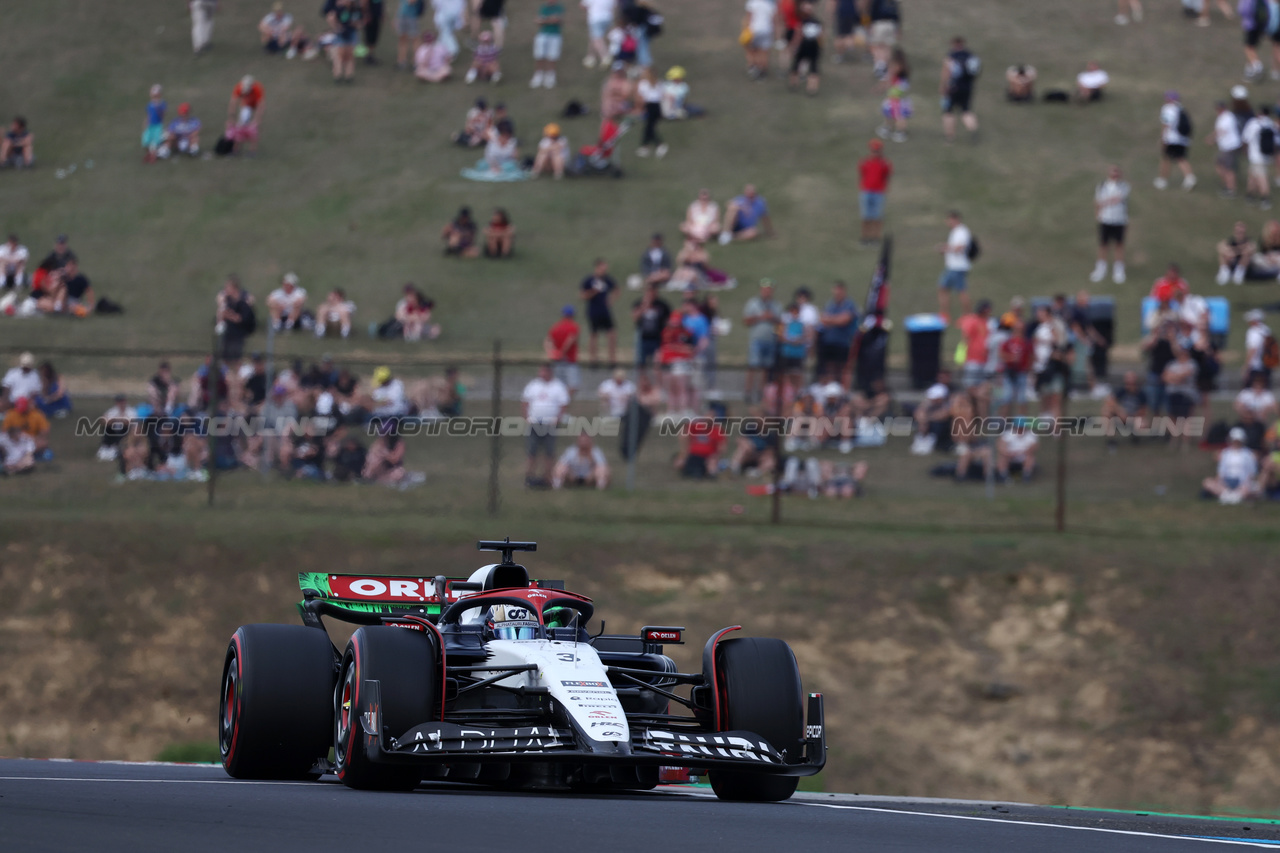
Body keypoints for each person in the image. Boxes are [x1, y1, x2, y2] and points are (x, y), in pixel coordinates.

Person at [522, 363, 570, 487]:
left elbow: (563, 404)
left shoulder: (558, 386)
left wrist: (558, 419)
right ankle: (529, 476)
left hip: (550, 424)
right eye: (541, 371)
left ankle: (547, 477)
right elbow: (525, 401)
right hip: (534, 423)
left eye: (544, 371)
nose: (542, 373)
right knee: (531, 451)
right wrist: (526, 417)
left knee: (549, 452)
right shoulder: (533, 385)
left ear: (550, 372)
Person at [1092, 165, 1130, 284]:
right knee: (1103, 245)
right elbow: (1097, 202)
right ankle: (1101, 269)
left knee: (1119, 245)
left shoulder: (1124, 186)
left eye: (1117, 172)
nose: (1115, 174)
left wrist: (1104, 202)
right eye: (1113, 172)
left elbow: (1117, 199)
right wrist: (1098, 214)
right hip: (1105, 220)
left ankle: (1118, 270)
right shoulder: (1102, 186)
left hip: (1119, 220)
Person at [940, 36, 980, 143]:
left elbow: (946, 73)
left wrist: (943, 86)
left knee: (948, 112)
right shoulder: (971, 56)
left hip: (953, 88)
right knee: (966, 110)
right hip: (967, 87)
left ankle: (950, 137)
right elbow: (975, 72)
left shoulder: (951, 57)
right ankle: (973, 129)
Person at [815, 281, 856, 384]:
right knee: (829, 368)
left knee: (842, 368)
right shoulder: (830, 304)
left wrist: (830, 319)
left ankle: (841, 390)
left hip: (843, 342)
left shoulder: (849, 305)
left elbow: (844, 320)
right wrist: (835, 319)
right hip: (828, 342)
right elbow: (821, 319)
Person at [1202, 427, 1259, 503]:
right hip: (1227, 481)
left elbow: (1252, 472)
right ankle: (1227, 494)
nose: (1236, 442)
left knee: (1256, 488)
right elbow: (1221, 471)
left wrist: (1246, 483)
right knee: (1207, 482)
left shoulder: (1248, 454)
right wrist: (1219, 481)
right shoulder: (1225, 453)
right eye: (1234, 440)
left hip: (1241, 482)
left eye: (1238, 440)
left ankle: (1235, 496)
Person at [936, 209, 973, 320]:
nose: (948, 222)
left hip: (958, 267)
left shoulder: (962, 231)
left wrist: (945, 248)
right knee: (943, 288)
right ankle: (944, 314)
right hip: (951, 267)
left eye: (950, 220)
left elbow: (960, 247)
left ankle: (967, 316)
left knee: (961, 292)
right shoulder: (955, 232)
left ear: (955, 219)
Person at [1156, 91, 1195, 190]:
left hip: (1171, 139)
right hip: (1183, 139)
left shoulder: (1167, 109)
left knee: (1166, 158)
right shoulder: (1181, 109)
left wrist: (1163, 138)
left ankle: (1163, 180)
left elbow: (1166, 125)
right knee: (1181, 158)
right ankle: (1189, 177)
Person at [581, 259, 618, 364]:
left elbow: (616, 289)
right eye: (602, 268)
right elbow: (583, 295)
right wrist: (594, 291)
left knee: (611, 334)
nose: (604, 270)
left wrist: (611, 299)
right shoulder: (589, 280)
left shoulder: (607, 280)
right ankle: (593, 358)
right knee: (594, 335)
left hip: (605, 311)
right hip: (593, 311)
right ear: (597, 268)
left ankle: (612, 358)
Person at [1241, 105, 1277, 209]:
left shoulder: (1254, 123)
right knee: (1252, 175)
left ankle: (1265, 199)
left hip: (1256, 156)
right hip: (1267, 155)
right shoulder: (1271, 123)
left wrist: (1244, 151)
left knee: (1262, 177)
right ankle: (1250, 195)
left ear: (1260, 112)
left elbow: (1245, 138)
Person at [858, 140, 892, 245]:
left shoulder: (884, 164)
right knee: (866, 216)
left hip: (878, 192)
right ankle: (865, 237)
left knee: (877, 216)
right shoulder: (865, 162)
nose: (875, 153)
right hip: (866, 191)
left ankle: (876, 238)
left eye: (877, 151)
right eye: (873, 150)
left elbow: (886, 176)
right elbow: (862, 175)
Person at [632, 282, 671, 372]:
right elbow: (635, 317)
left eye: (652, 291)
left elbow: (668, 321)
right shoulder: (639, 303)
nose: (650, 293)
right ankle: (641, 382)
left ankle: (657, 383)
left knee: (657, 362)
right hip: (643, 337)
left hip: (657, 337)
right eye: (648, 291)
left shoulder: (662, 305)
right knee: (641, 363)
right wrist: (644, 306)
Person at [215, 275, 256, 360]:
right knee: (225, 356)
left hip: (242, 329)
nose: (225, 289)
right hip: (230, 330)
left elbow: (240, 318)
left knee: (236, 357)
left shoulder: (244, 299)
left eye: (227, 287)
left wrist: (229, 315)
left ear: (234, 288)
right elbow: (222, 311)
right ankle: (220, 324)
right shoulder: (226, 298)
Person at [675, 410, 726, 478]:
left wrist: (716, 457)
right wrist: (683, 453)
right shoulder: (697, 426)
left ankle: (708, 473)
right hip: (693, 454)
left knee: (712, 468)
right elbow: (683, 434)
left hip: (708, 456)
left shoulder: (717, 430)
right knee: (679, 463)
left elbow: (722, 446)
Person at [1208, 100, 1242, 199]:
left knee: (1228, 169)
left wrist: (1212, 140)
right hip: (1225, 147)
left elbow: (1222, 131)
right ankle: (1227, 184)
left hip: (1229, 147)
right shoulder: (1223, 117)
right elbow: (1218, 129)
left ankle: (1231, 189)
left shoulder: (1228, 117)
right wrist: (1211, 136)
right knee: (1220, 166)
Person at [788, 0, 823, 95]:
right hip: (814, 46)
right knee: (813, 67)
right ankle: (812, 88)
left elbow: (798, 35)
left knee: (796, 64)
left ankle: (794, 84)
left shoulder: (801, 22)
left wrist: (794, 46)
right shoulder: (818, 22)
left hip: (803, 45)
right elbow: (820, 36)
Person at [545, 305, 581, 395]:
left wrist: (552, 352)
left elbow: (548, 340)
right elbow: (570, 340)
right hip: (569, 360)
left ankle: (561, 405)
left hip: (557, 360)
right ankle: (564, 404)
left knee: (559, 385)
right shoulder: (573, 326)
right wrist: (562, 352)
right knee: (573, 385)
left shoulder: (556, 326)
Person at [878, 48, 912, 141]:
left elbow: (894, 72)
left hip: (897, 95)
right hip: (895, 94)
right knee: (889, 112)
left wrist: (889, 73)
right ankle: (888, 128)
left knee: (899, 115)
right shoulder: (903, 65)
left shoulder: (898, 65)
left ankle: (901, 132)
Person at [226, 75, 265, 155]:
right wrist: (231, 117)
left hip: (254, 106)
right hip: (246, 106)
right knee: (240, 126)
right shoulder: (239, 87)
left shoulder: (257, 88)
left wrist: (257, 120)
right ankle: (236, 149)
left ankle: (252, 151)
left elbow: (261, 105)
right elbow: (233, 102)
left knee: (253, 129)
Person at [327, 0, 364, 81]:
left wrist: (357, 25)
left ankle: (349, 75)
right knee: (340, 55)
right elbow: (331, 17)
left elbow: (360, 22)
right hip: (341, 34)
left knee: (350, 55)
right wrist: (336, 28)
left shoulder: (356, 9)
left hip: (352, 33)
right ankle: (338, 75)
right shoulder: (340, 8)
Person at [531, 0, 564, 88]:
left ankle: (550, 76)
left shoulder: (559, 7)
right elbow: (538, 21)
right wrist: (550, 20)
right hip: (542, 34)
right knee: (539, 55)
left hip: (555, 35)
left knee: (552, 56)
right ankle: (539, 75)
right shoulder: (543, 7)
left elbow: (558, 20)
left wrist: (545, 20)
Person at [636, 67, 667, 158]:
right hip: (656, 106)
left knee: (649, 127)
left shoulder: (644, 84)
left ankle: (658, 145)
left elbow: (642, 97)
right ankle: (645, 147)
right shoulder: (659, 83)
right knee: (649, 127)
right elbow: (662, 95)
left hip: (651, 106)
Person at [743, 0, 776, 79]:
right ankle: (763, 71)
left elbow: (749, 17)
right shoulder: (770, 4)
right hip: (767, 30)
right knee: (764, 52)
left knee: (755, 50)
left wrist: (746, 29)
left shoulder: (752, 3)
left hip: (755, 30)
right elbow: (773, 19)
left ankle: (755, 68)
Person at [1218, 221, 1256, 285]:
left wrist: (1235, 251)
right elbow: (1220, 246)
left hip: (1243, 264)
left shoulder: (1247, 241)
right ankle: (1224, 272)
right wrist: (1229, 252)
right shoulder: (1231, 241)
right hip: (1232, 260)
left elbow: (1251, 248)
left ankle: (1238, 274)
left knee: (1246, 254)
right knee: (1223, 254)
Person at [1243, 309, 1274, 386]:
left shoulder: (1253, 331)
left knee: (1250, 390)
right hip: (1267, 365)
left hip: (1255, 366)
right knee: (1265, 388)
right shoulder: (1266, 330)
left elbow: (1253, 350)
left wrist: (1247, 367)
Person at [395, 0, 426, 68]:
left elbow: (411, 2)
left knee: (415, 40)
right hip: (402, 16)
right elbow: (401, 4)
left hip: (412, 17)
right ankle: (401, 61)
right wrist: (397, 18)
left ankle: (416, 61)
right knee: (402, 39)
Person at [142, 84, 167, 163]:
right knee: (146, 141)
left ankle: (153, 156)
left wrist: (158, 106)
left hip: (157, 126)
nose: (155, 96)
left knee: (155, 142)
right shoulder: (149, 104)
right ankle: (150, 153)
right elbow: (149, 115)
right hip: (150, 126)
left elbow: (162, 115)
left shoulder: (162, 104)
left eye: (156, 95)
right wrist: (146, 122)